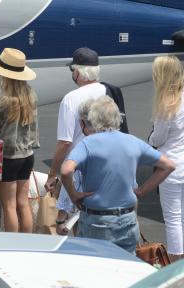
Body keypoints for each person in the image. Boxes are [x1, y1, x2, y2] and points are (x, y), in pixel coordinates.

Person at [60, 96, 175, 254]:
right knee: (125, 269)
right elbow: (168, 165)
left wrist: (73, 195)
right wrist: (142, 191)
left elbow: (66, 170)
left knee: (94, 269)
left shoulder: (88, 143)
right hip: (126, 221)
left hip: (96, 221)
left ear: (94, 119)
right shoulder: (132, 141)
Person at [46, 47, 109, 235]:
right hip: (105, 164)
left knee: (69, 223)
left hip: (79, 167)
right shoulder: (108, 91)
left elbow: (65, 142)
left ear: (78, 72)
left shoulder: (70, 99)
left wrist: (53, 174)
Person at [0, 48, 39, 233]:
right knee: (23, 203)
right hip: (27, 155)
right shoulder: (30, 95)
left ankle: (11, 244)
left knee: (8, 206)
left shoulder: (4, 100)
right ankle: (27, 243)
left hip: (7, 157)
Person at [148, 54, 184, 259]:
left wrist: (150, 137)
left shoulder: (165, 105)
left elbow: (158, 139)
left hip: (169, 166)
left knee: (172, 218)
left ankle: (176, 261)